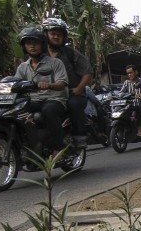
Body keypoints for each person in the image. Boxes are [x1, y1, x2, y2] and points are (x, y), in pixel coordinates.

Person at [14, 27, 69, 154]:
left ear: (42, 45)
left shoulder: (55, 63)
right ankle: (26, 145)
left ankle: (58, 148)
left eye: (36, 43)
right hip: (33, 101)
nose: (32, 46)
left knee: (48, 110)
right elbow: (15, 83)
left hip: (54, 99)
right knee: (14, 111)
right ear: (24, 47)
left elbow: (62, 84)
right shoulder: (22, 67)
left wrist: (49, 85)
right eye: (28, 43)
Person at [41, 17, 93, 148]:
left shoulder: (70, 53)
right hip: (47, 95)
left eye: (59, 34)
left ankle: (80, 136)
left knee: (74, 104)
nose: (56, 37)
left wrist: (79, 88)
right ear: (45, 34)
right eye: (53, 33)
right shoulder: (39, 54)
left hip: (71, 92)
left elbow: (87, 71)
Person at [120, 64, 141, 137]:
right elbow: (121, 92)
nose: (130, 75)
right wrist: (113, 96)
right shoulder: (126, 83)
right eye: (128, 73)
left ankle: (140, 129)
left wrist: (140, 94)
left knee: (140, 108)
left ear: (136, 72)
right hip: (131, 104)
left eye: (131, 72)